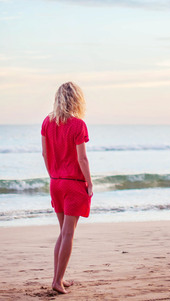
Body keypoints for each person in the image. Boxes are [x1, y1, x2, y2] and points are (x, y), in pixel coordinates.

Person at [41, 82, 93, 294]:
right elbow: (82, 158)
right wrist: (89, 182)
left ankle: (58, 278)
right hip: (73, 184)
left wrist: (53, 175)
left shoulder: (47, 122)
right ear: (76, 99)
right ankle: (57, 280)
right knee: (68, 234)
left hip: (56, 182)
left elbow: (45, 154)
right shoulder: (78, 125)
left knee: (63, 233)